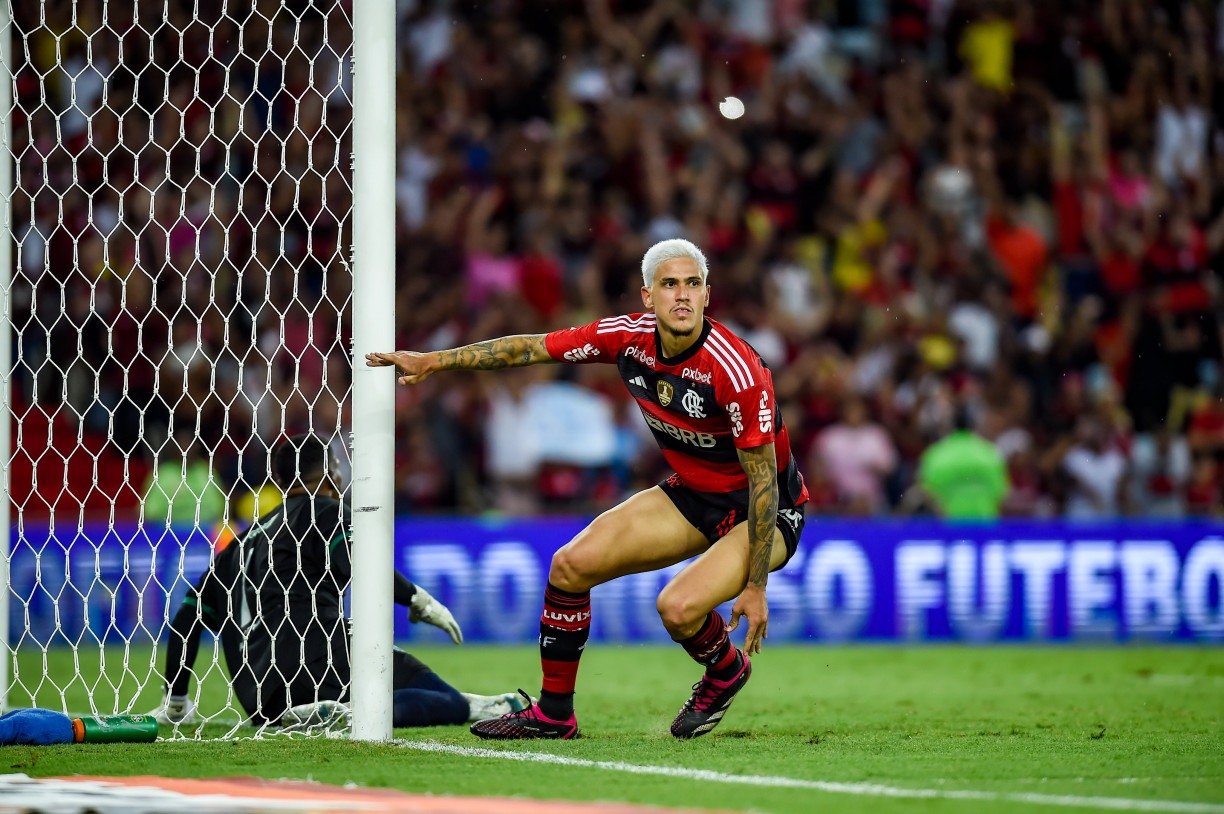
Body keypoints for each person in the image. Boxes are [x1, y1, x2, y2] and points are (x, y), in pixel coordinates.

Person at [367, 238, 809, 740]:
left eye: (694, 284)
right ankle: (555, 714)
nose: (682, 295)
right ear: (648, 297)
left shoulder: (738, 371)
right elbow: (530, 348)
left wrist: (755, 587)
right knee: (569, 566)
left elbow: (763, 482)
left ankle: (725, 670)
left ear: (708, 295)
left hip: (764, 509)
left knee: (678, 608)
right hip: (694, 494)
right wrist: (435, 362)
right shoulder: (625, 337)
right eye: (670, 284)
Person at [152, 433, 525, 729]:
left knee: (412, 689)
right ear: (333, 472)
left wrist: (177, 701)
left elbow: (187, 617)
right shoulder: (325, 509)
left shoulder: (240, 544)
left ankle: (331, 711)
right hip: (319, 659)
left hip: (261, 700)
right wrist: (417, 599)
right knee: (440, 697)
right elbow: (361, 564)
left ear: (281, 482)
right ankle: (467, 706)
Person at [907, 411, 1010, 520]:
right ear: (974, 426)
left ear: (950, 427)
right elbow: (1002, 493)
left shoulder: (936, 454)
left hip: (949, 528)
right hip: (985, 527)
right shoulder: (990, 454)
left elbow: (925, 492)